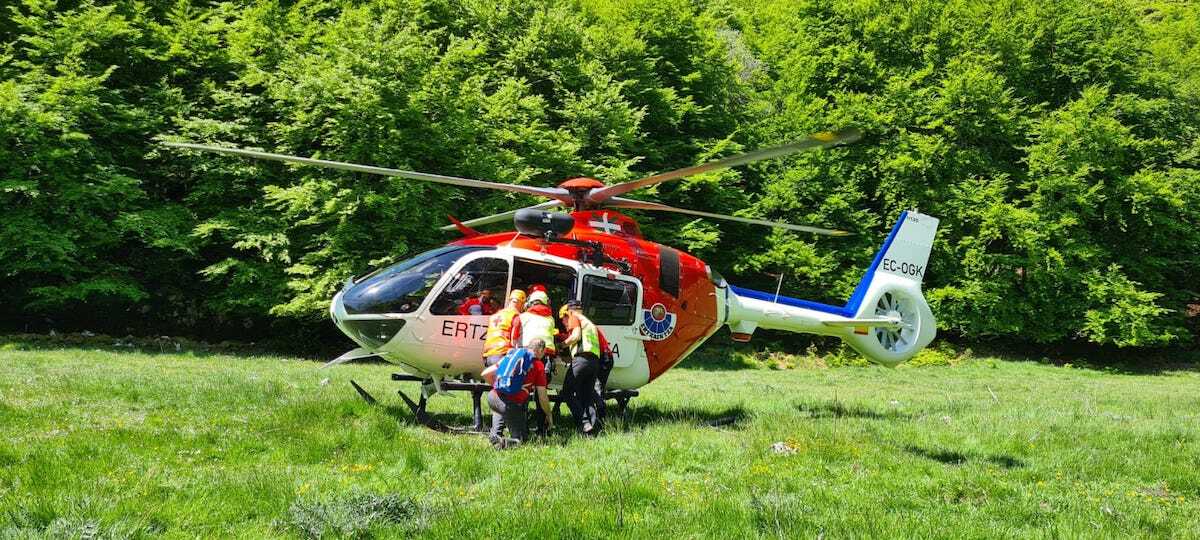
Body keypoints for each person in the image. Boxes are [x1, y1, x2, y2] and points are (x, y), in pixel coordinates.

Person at [481, 339, 552, 447]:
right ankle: (503, 442)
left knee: (501, 406)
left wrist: (499, 387)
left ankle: (495, 436)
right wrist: (549, 414)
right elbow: (542, 397)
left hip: (493, 397)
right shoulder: (538, 365)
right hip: (509, 404)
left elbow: (485, 373)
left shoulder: (512, 355)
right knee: (522, 441)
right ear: (541, 350)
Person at [559, 300, 603, 434]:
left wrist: (561, 345)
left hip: (582, 360)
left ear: (569, 311)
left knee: (567, 391)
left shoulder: (574, 317)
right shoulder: (589, 323)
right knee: (586, 396)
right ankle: (595, 428)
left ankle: (584, 423)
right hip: (594, 363)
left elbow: (576, 336)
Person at [482, 289, 526, 368]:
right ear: (521, 303)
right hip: (502, 354)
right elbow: (514, 341)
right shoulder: (515, 316)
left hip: (487, 355)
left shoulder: (496, 315)